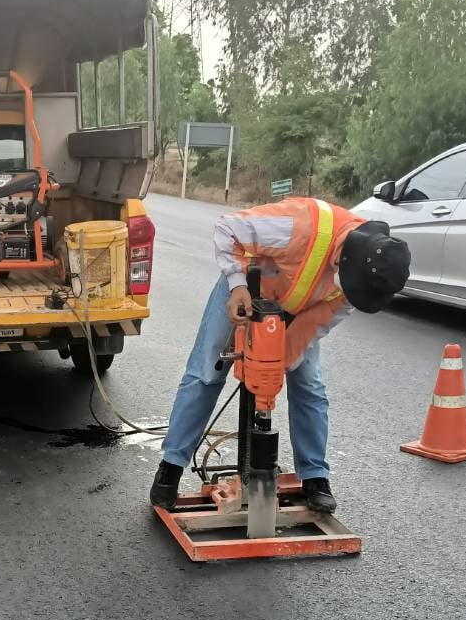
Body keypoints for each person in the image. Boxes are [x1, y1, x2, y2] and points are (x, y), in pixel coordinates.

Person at [149, 196, 411, 514]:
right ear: (347, 259)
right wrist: (236, 284)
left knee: (309, 385)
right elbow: (228, 228)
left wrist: (270, 373)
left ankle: (315, 476)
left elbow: (317, 323)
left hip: (301, 309)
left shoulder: (360, 281)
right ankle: (171, 466)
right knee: (207, 371)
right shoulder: (299, 225)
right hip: (247, 290)